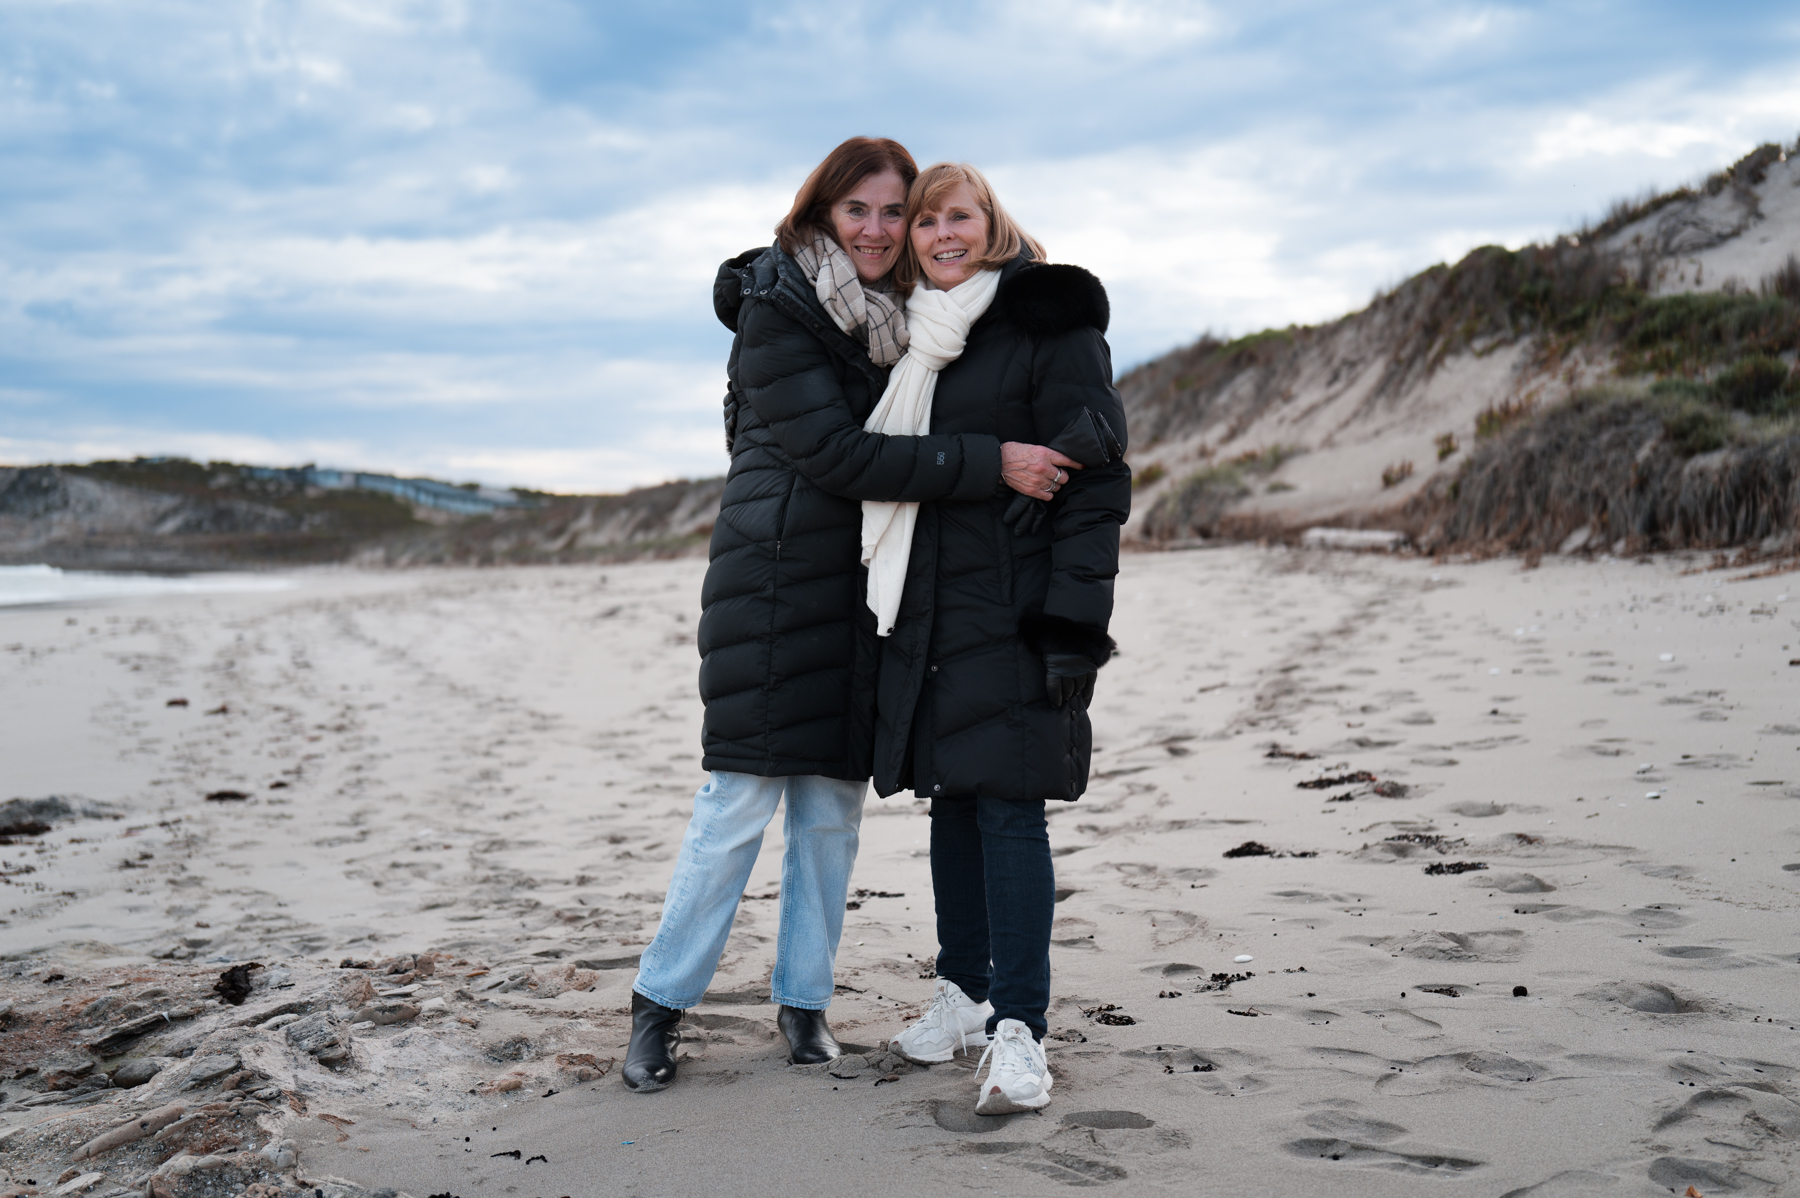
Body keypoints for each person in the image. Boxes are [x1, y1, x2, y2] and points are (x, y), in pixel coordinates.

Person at [623, 139, 1080, 1092]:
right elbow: (835, 454)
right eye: (857, 211)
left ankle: (803, 1004)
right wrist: (987, 459)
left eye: (891, 212)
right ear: (821, 214)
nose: (876, 231)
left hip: (867, 592)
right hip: (777, 586)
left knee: (831, 812)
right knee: (738, 804)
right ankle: (660, 1005)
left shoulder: (905, 325)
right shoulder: (780, 308)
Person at [876, 163, 1129, 1116]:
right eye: (928, 221)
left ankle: (1021, 1032)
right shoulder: (918, 341)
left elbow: (1098, 478)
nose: (944, 234)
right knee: (951, 803)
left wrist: (1074, 626)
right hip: (937, 611)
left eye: (960, 215)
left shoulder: (1044, 319)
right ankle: (963, 996)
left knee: (1012, 810)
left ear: (992, 221)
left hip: (1020, 611)